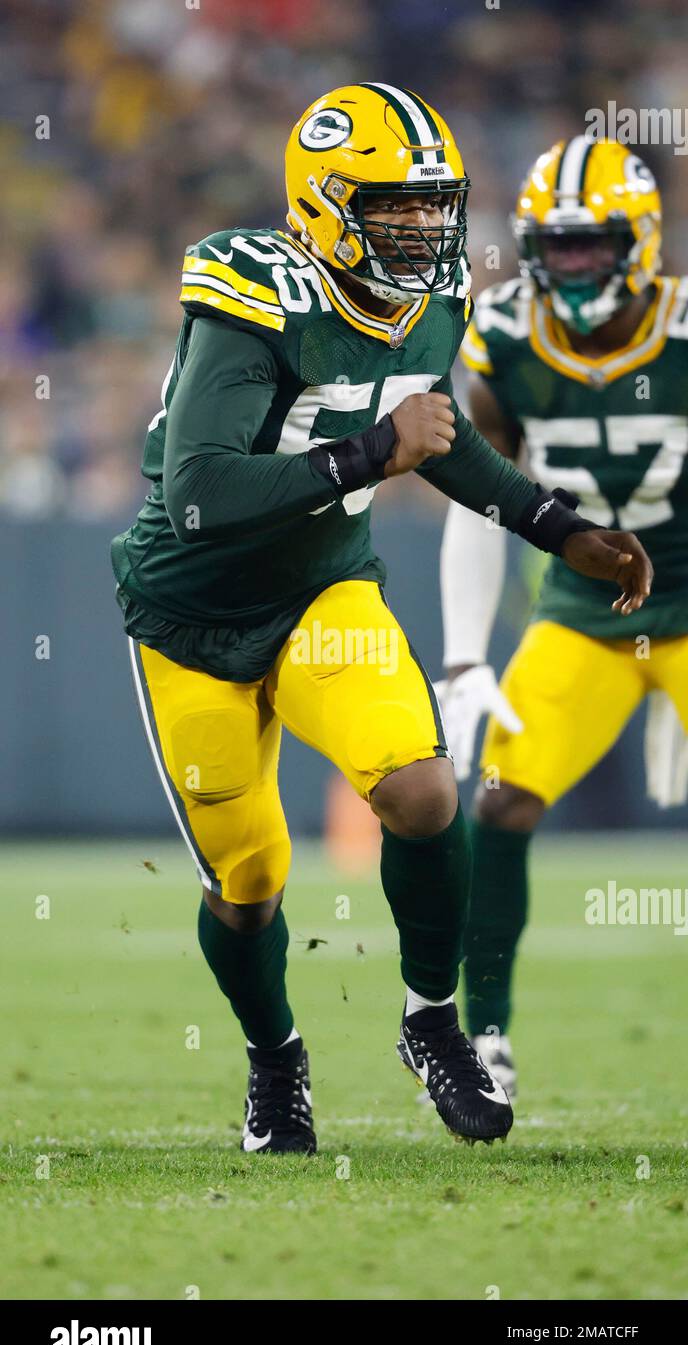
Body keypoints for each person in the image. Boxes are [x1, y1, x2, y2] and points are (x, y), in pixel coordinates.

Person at [111, 97, 651, 1152]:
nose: (421, 234)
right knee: (251, 880)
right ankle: (277, 1062)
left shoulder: (430, 293)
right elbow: (197, 493)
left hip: (323, 592)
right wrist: (371, 456)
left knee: (420, 788)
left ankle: (429, 1017)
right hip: (191, 615)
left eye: (431, 210)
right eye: (393, 210)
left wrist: (553, 524)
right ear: (324, 206)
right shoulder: (252, 290)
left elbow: (431, 430)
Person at [438, 138, 685, 1097]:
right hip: (585, 616)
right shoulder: (500, 337)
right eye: (557, 245)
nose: (572, 264)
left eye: (593, 245)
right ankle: (482, 1039)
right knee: (500, 798)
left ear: (641, 241)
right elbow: (478, 499)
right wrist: (463, 659)